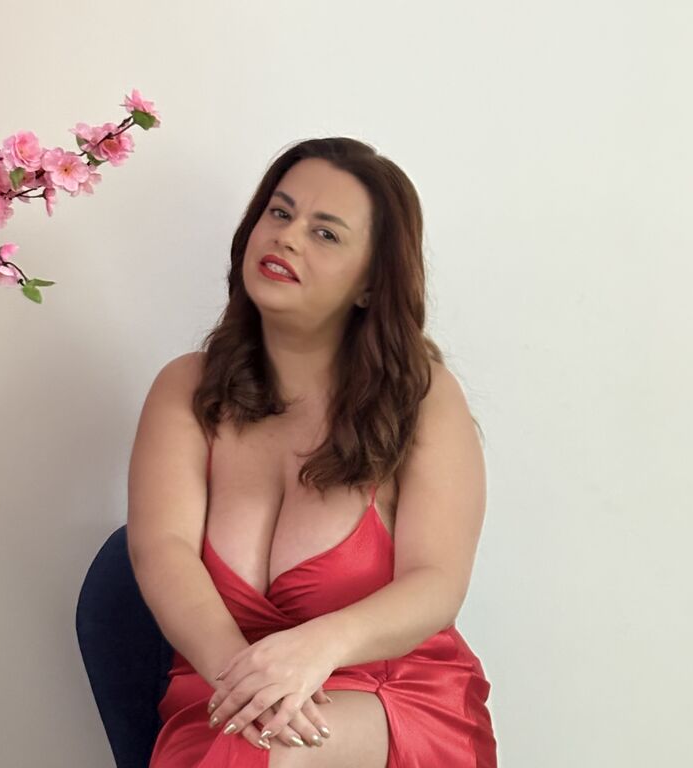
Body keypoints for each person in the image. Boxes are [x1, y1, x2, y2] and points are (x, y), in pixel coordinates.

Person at [128, 137, 498, 767]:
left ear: (370, 284)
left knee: (266, 756)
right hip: (221, 693)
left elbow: (436, 583)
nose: (288, 237)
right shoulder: (185, 388)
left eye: (325, 233)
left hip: (391, 692)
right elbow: (161, 551)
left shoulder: (422, 398)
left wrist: (314, 650)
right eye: (280, 212)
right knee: (244, 750)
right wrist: (248, 682)